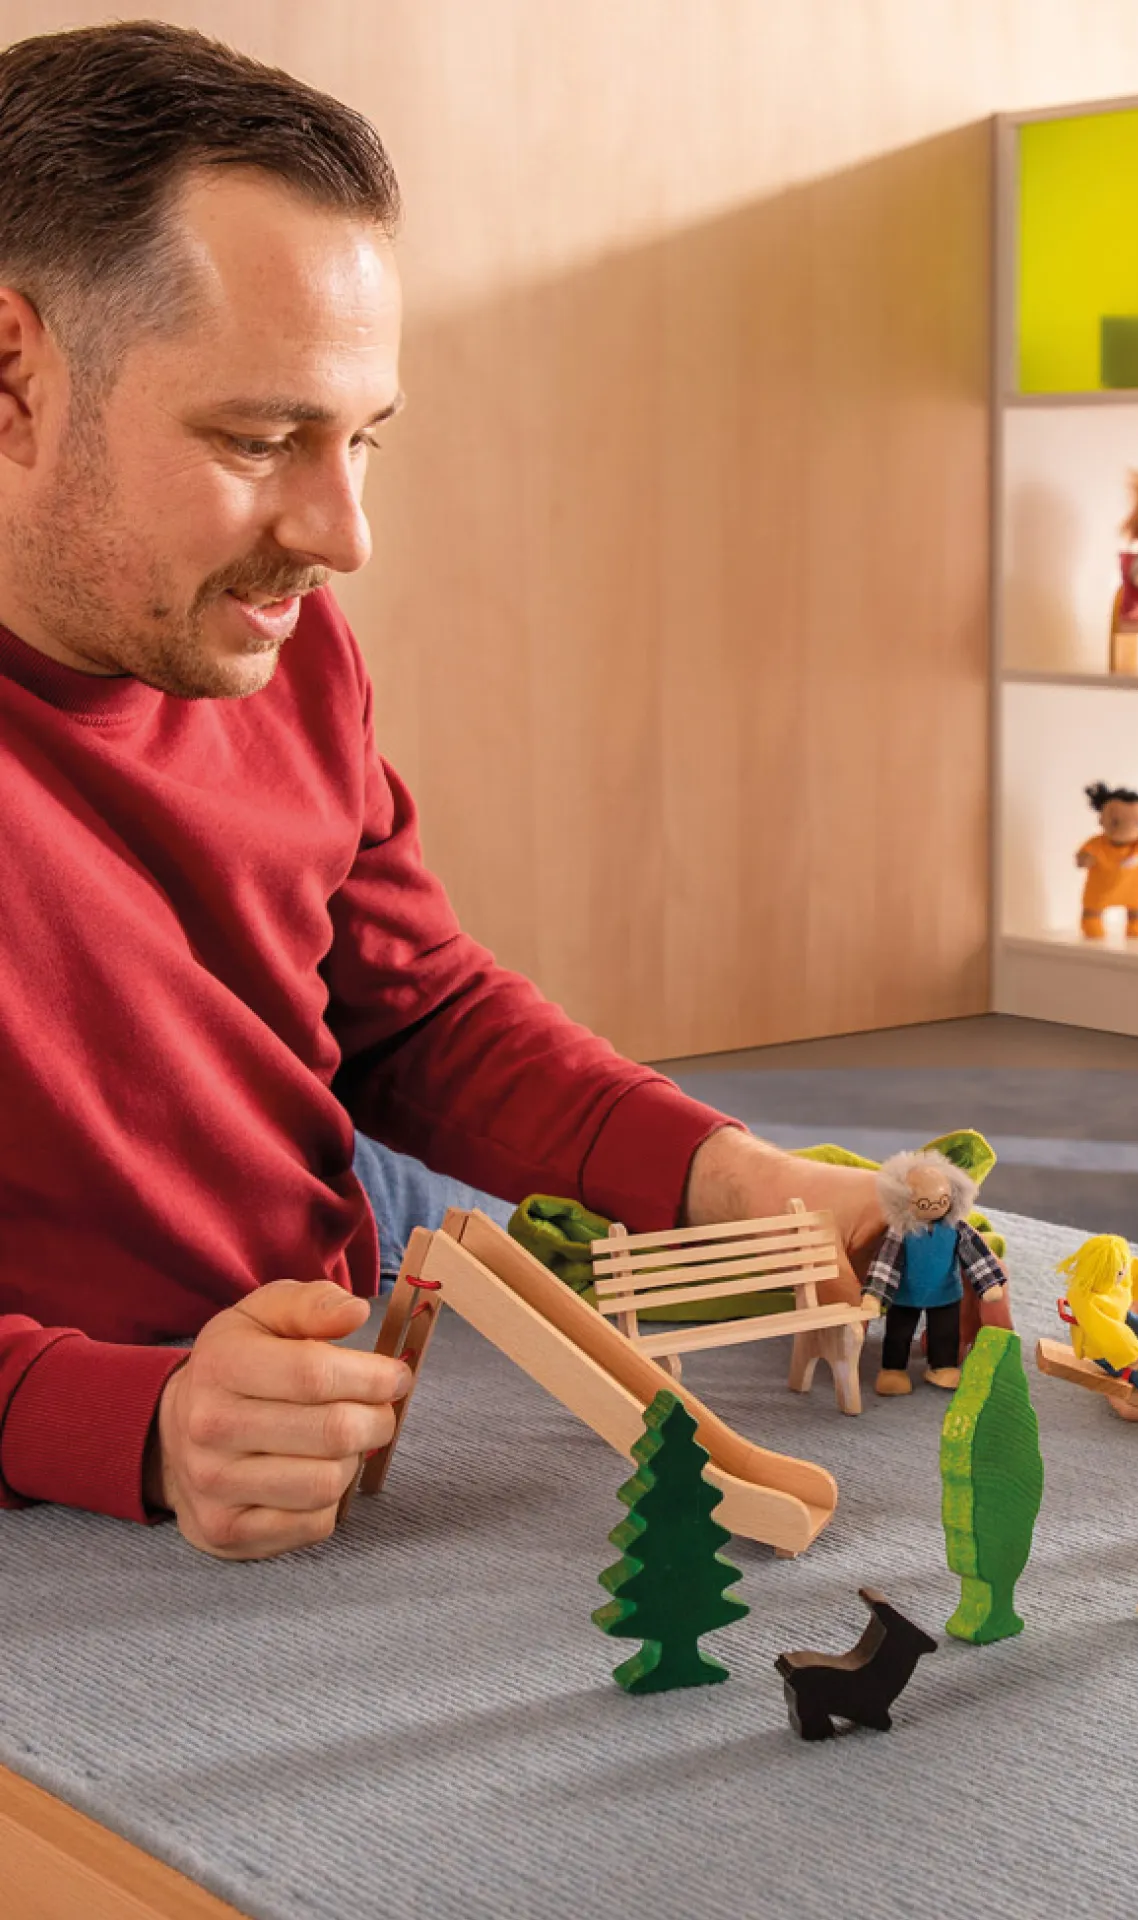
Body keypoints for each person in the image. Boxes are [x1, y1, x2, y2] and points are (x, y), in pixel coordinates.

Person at [0, 23, 882, 1563]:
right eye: (263, 439)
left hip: (345, 1348)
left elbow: (408, 1007)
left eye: (363, 444)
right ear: (11, 374)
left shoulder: (281, 640)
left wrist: (717, 1173)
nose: (343, 537)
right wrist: (111, 1417)